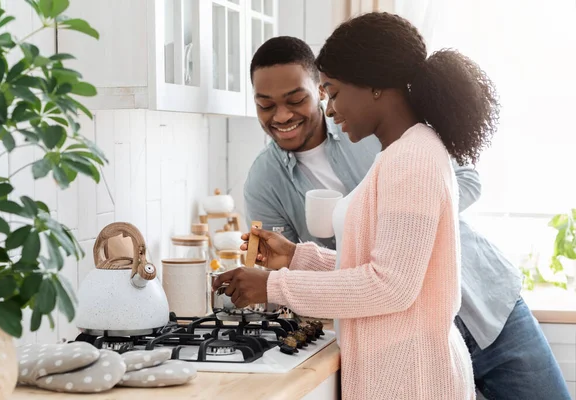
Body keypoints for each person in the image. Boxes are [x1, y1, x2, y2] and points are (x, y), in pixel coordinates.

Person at [215, 15, 571, 400]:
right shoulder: (396, 152)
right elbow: (378, 263)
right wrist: (298, 258)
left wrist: (275, 284)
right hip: (406, 355)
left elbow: (390, 284)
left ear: (373, 87)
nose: (330, 108)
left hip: (459, 328)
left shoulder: (410, 156)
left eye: (330, 93)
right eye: (266, 104)